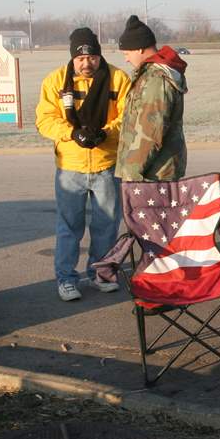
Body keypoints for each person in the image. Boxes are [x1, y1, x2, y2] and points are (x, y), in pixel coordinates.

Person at [36, 27, 132, 302]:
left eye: (92, 57)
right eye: (80, 58)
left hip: (106, 164)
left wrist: (106, 132)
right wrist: (72, 133)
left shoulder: (117, 79)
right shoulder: (55, 81)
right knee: (69, 226)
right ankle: (66, 279)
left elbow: (127, 116)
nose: (86, 63)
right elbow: (45, 120)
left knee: (106, 225)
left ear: (99, 55)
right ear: (72, 58)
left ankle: (100, 273)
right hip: (70, 167)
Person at [115, 15, 189, 182]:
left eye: (127, 53)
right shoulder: (149, 75)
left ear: (139, 49)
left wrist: (131, 173)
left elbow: (150, 130)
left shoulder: (156, 79)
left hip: (153, 174)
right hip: (150, 171)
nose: (126, 59)